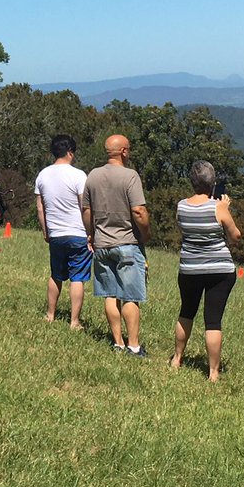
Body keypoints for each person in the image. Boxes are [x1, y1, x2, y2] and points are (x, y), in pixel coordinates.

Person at [170, 160, 242, 381]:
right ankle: (213, 372)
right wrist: (224, 208)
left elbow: (182, 227)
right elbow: (236, 235)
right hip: (220, 270)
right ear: (212, 183)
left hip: (190, 267)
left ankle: (177, 358)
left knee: (186, 312)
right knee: (213, 320)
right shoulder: (218, 207)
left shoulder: (181, 206)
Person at [82, 134, 150, 357]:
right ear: (123, 152)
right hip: (127, 242)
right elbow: (139, 211)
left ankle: (118, 342)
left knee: (110, 294)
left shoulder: (92, 176)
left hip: (102, 243)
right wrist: (145, 233)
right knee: (130, 295)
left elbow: (86, 211)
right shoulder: (130, 176)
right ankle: (134, 345)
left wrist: (91, 234)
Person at [35, 135, 90, 329]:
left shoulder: (42, 175)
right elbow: (84, 207)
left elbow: (40, 208)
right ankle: (74, 321)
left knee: (56, 275)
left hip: (56, 233)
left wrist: (46, 231)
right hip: (77, 233)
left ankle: (50, 314)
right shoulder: (79, 175)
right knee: (77, 277)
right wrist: (90, 232)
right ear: (70, 152)